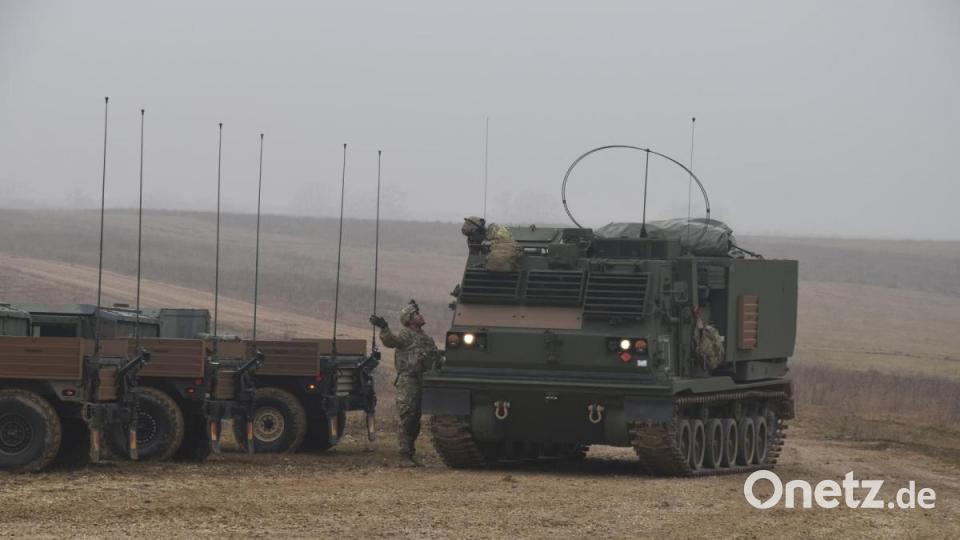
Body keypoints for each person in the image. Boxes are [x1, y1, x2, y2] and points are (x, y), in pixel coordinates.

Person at [369, 300, 442, 467]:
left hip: (423, 381)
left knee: (415, 419)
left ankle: (410, 452)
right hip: (408, 381)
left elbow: (436, 358)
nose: (420, 316)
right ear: (409, 319)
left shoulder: (425, 338)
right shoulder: (405, 335)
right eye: (416, 314)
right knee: (407, 416)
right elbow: (390, 341)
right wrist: (384, 328)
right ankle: (404, 455)